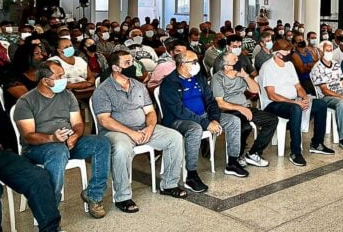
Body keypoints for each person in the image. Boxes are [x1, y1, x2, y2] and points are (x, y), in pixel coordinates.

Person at [93, 51, 187, 213]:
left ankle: (169, 185)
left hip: (143, 128)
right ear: (116, 68)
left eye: (133, 62)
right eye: (127, 63)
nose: (133, 66)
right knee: (122, 149)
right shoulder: (103, 90)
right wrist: (131, 133)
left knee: (174, 138)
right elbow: (104, 120)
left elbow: (150, 112)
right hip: (116, 131)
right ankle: (122, 196)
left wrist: (150, 128)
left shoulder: (138, 86)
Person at [13, 61, 111, 218]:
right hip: (37, 148)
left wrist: (75, 136)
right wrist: (52, 137)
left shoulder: (67, 95)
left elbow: (78, 123)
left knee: (101, 143)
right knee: (57, 151)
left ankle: (94, 195)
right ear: (45, 80)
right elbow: (28, 136)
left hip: (66, 143)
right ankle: (50, 209)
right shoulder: (26, 102)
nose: (63, 79)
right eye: (59, 76)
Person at [159, 51, 247, 193]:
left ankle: (232, 162)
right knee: (195, 129)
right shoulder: (170, 83)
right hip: (178, 120)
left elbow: (211, 101)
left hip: (204, 116)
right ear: (182, 65)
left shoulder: (198, 77)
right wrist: (206, 123)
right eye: (193, 62)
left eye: (197, 61)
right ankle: (191, 175)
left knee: (233, 120)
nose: (197, 64)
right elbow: (179, 111)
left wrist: (214, 119)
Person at [260, 39, 334, 167]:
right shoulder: (268, 67)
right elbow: (271, 94)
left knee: (320, 104)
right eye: (286, 52)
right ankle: (295, 152)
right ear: (277, 53)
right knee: (295, 109)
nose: (289, 54)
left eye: (290, 51)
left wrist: (305, 98)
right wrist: (295, 103)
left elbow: (298, 86)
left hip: (293, 101)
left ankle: (317, 143)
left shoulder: (289, 65)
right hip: (273, 104)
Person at [212, 52, 277, 167]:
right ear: (226, 66)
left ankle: (253, 153)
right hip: (229, 110)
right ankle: (237, 157)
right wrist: (240, 108)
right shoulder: (218, 78)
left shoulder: (240, 75)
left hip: (244, 107)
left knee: (271, 120)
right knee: (245, 126)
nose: (239, 62)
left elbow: (255, 90)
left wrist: (246, 76)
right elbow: (220, 103)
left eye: (238, 59)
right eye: (235, 60)